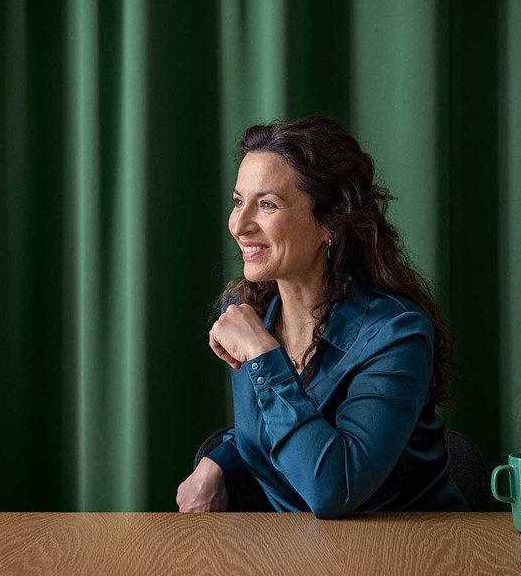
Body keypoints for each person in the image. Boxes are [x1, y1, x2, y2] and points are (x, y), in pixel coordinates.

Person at [176, 117, 467, 518]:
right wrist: (220, 461)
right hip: (297, 553)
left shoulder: (395, 334)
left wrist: (264, 357)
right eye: (239, 201)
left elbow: (334, 488)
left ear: (330, 222)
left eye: (267, 204)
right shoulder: (247, 313)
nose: (239, 225)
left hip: (409, 554)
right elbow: (277, 431)